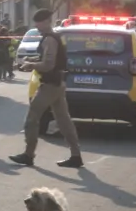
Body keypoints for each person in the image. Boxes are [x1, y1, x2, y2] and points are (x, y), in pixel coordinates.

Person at [9, 9, 84, 168]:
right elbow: (51, 60)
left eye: (39, 22)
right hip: (57, 84)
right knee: (64, 121)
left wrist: (31, 64)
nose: (36, 25)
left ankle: (28, 154)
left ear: (47, 22)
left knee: (32, 118)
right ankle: (76, 155)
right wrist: (33, 59)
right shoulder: (53, 37)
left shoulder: (49, 39)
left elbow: (48, 64)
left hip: (50, 85)